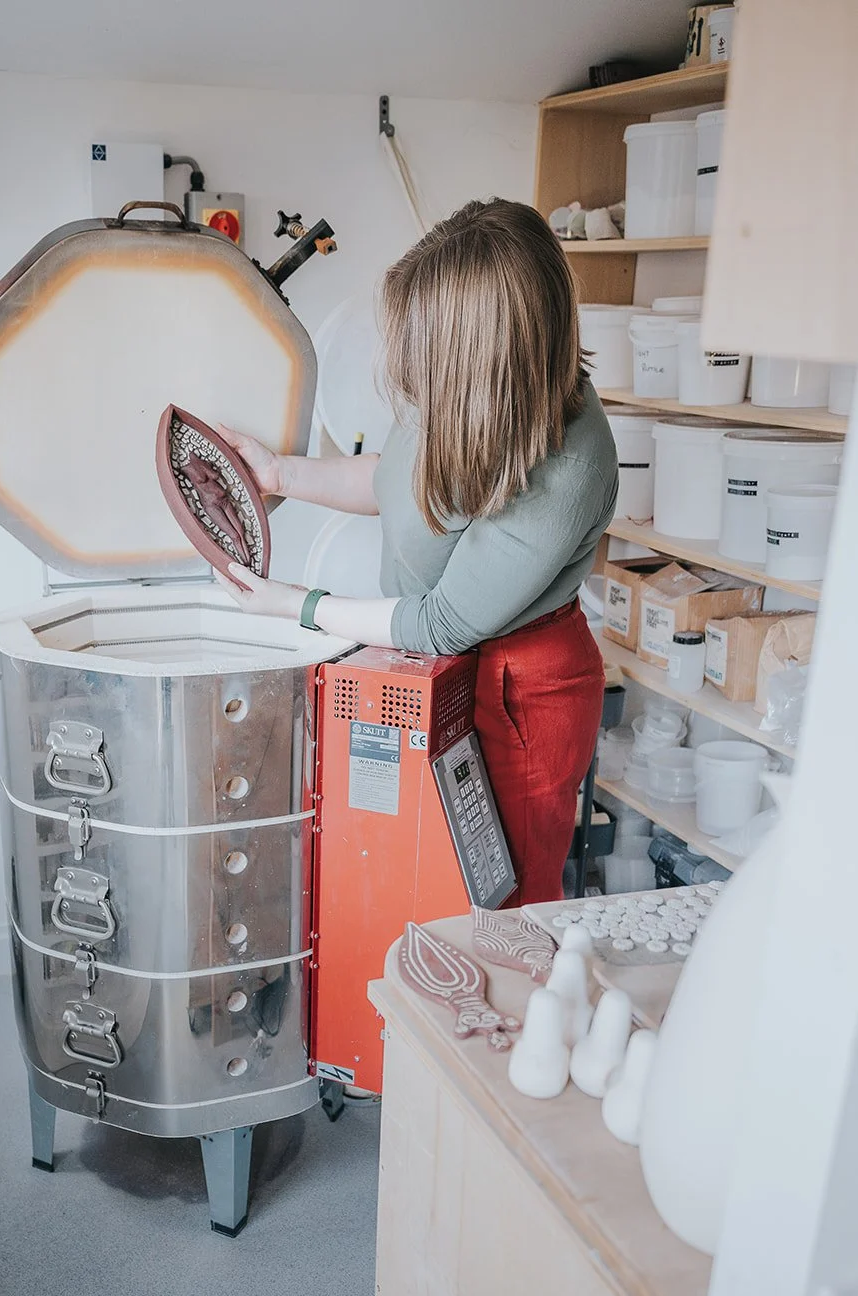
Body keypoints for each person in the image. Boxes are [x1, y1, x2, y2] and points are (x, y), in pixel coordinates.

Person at [217, 197, 618, 906]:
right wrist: (280, 473)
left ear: (486, 352)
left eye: (425, 348)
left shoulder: (570, 461)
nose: (409, 366)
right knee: (424, 886)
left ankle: (515, 1019)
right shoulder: (463, 393)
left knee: (504, 905)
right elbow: (392, 481)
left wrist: (296, 607)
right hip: (435, 665)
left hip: (520, 694)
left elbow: (441, 622)